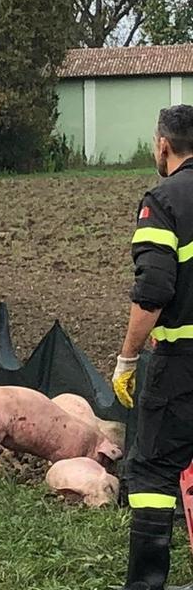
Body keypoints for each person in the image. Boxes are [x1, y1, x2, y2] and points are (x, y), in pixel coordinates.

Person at [112, 103, 193, 590]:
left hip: (182, 366)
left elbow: (154, 292)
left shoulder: (163, 202)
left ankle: (146, 584)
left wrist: (126, 359)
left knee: (153, 474)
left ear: (162, 145)